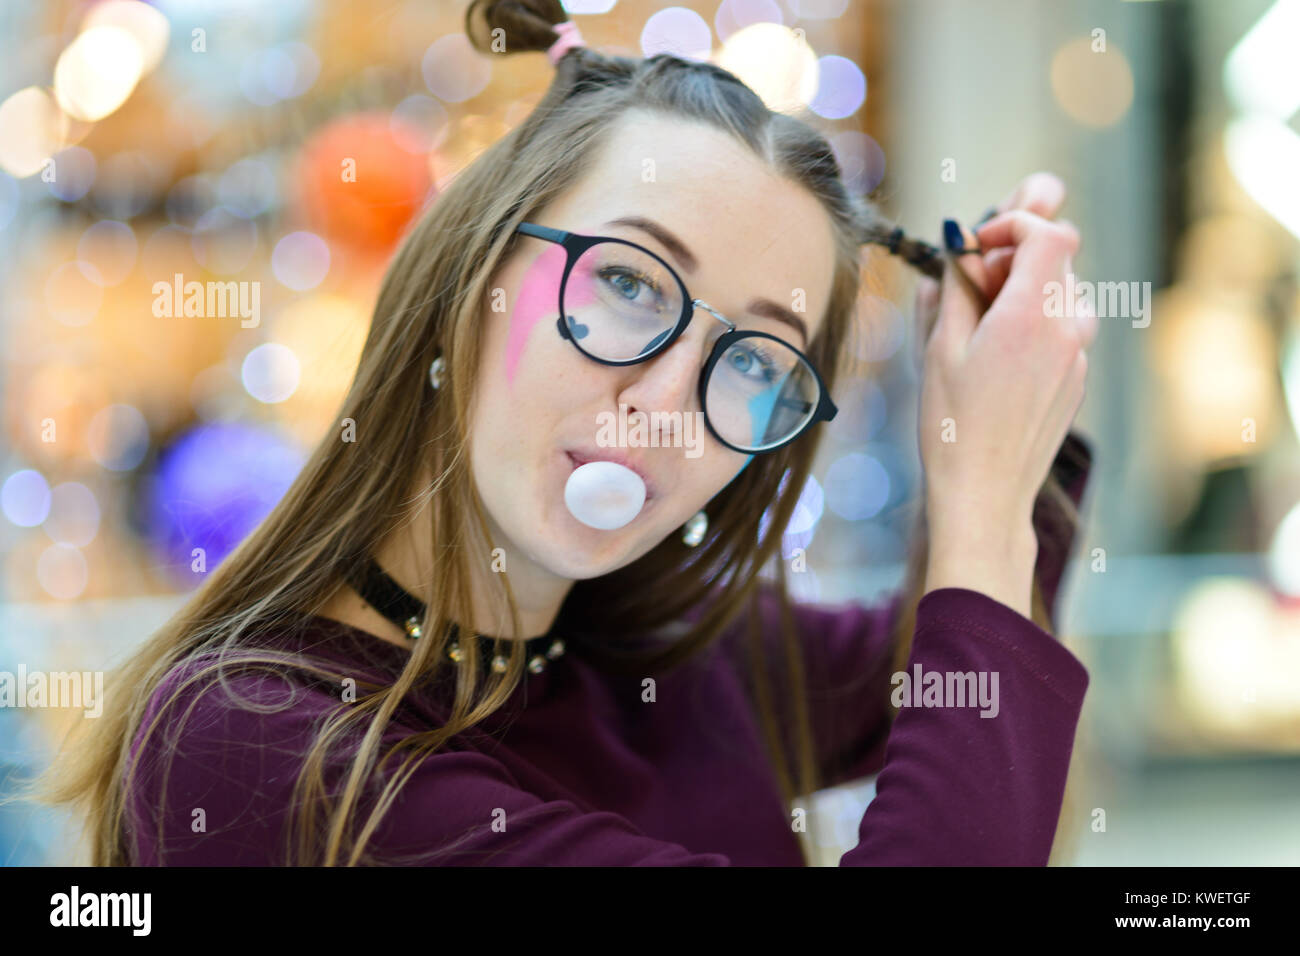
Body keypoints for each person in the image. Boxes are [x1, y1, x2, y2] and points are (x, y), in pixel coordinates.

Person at [28, 0, 1097, 866]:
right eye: (629, 281)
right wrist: (983, 496)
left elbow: (952, 671)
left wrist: (1006, 415)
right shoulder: (253, 744)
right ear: (467, 282)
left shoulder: (663, 651)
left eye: (758, 359)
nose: (672, 395)